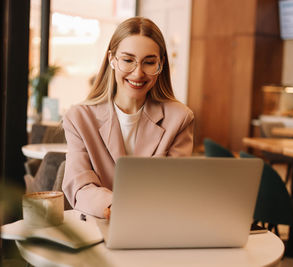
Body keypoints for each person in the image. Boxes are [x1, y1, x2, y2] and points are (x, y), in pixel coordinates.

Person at [62, 17, 194, 219]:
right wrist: (116, 207)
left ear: (161, 64)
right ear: (111, 59)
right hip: (99, 226)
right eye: (128, 60)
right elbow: (80, 186)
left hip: (155, 226)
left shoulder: (180, 118)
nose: (138, 73)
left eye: (149, 62)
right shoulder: (79, 118)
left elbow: (176, 187)